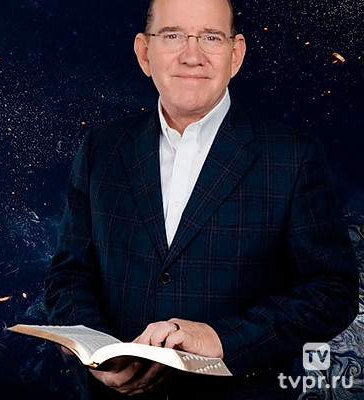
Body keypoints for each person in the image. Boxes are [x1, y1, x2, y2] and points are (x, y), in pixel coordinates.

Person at [44, 0, 359, 398]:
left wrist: (221, 338)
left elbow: (332, 292)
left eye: (210, 38)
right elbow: (69, 276)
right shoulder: (101, 149)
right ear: (144, 52)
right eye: (172, 35)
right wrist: (97, 353)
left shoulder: (294, 157)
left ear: (235, 53)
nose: (191, 55)